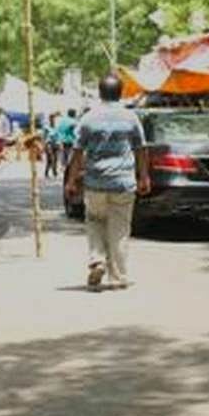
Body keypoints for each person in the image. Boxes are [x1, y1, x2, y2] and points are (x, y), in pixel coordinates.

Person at [65, 73, 151, 291]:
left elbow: (77, 153)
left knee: (94, 220)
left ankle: (97, 259)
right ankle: (118, 277)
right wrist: (144, 176)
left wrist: (71, 181)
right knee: (119, 229)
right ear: (120, 93)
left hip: (95, 183)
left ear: (100, 93)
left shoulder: (88, 118)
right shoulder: (131, 118)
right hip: (123, 183)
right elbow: (141, 149)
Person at [44, 113, 61, 179]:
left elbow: (59, 136)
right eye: (52, 119)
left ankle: (55, 172)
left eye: (54, 119)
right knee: (50, 159)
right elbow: (45, 137)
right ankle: (47, 172)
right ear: (49, 119)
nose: (53, 120)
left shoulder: (57, 127)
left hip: (56, 144)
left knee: (56, 159)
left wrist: (59, 143)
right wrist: (45, 145)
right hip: (49, 144)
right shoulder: (46, 127)